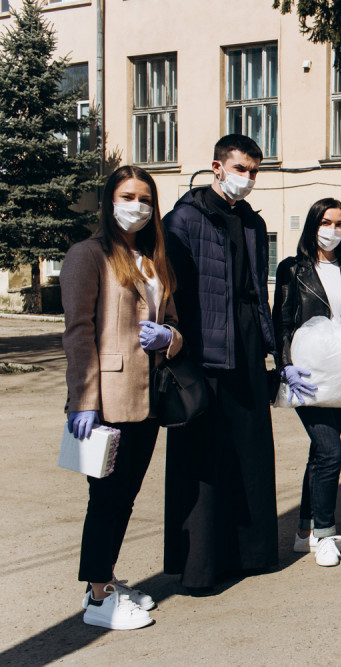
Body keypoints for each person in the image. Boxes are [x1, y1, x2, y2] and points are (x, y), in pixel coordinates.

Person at [62, 165, 183, 629]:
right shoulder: (88, 255)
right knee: (107, 500)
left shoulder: (153, 259)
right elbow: (78, 332)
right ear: (110, 201)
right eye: (128, 196)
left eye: (145, 199)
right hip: (107, 398)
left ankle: (106, 579)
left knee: (126, 497)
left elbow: (173, 320)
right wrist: (83, 400)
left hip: (148, 398)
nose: (137, 206)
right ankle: (98, 597)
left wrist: (169, 337)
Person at [162, 134, 279, 590]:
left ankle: (250, 555)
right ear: (217, 167)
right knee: (205, 459)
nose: (247, 178)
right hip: (204, 351)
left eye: (254, 171)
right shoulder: (184, 218)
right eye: (240, 169)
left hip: (246, 348)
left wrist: (270, 346)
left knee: (249, 452)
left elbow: (256, 288)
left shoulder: (252, 222)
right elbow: (173, 288)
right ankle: (201, 567)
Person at [271, 198, 341, 567]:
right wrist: (285, 365)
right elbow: (282, 322)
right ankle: (325, 533)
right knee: (331, 451)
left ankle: (304, 532)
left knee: (320, 453)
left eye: (340, 223)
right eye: (326, 222)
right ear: (313, 225)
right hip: (307, 375)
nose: (333, 230)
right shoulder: (292, 269)